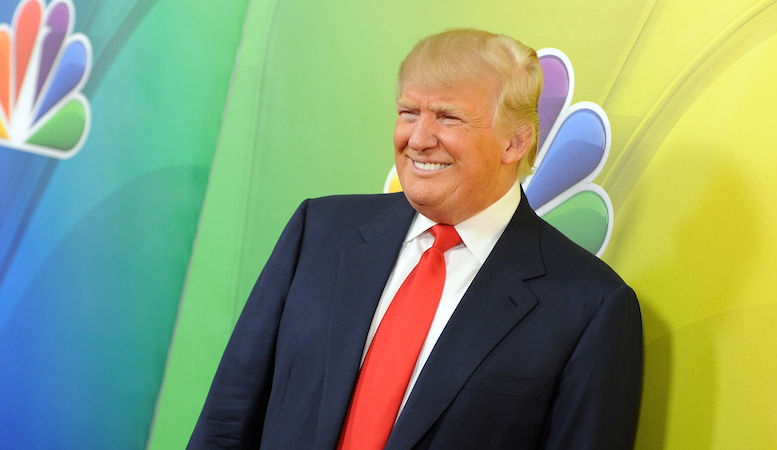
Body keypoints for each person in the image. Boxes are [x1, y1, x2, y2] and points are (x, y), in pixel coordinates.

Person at [189, 28, 642, 449]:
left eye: (448, 117)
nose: (418, 139)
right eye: (409, 113)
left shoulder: (590, 305)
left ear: (514, 143)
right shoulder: (319, 232)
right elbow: (227, 419)